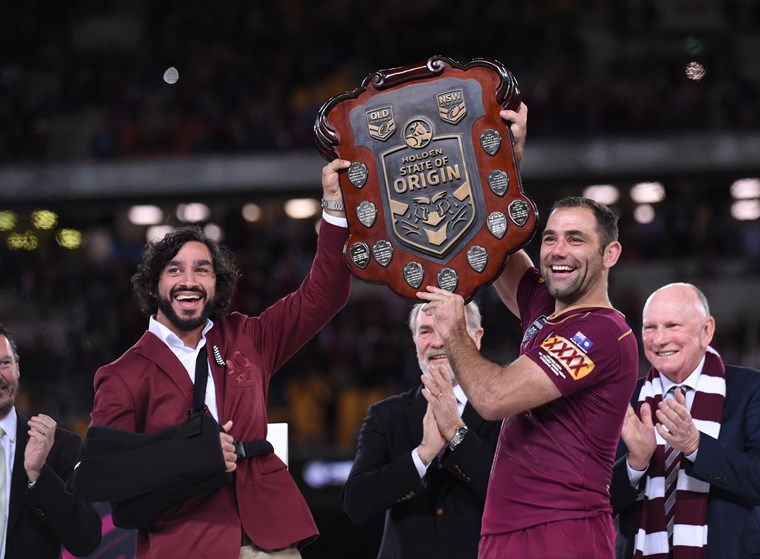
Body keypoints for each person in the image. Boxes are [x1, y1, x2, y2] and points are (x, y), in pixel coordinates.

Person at [87, 158, 353, 559]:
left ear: (218, 283)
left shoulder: (248, 337)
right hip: (185, 545)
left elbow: (323, 296)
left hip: (271, 541)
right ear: (153, 285)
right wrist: (191, 456)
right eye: (174, 270)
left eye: (203, 270)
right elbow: (104, 474)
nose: (189, 281)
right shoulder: (123, 375)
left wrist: (333, 208)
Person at [418, 195, 639, 558]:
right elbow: (498, 245)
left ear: (610, 254)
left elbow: (493, 398)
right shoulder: (548, 311)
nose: (557, 250)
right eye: (550, 238)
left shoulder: (602, 331)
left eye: (576, 239)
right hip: (504, 531)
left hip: (562, 531)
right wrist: (500, 166)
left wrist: (455, 331)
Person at [611, 283, 760, 559]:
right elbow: (595, 500)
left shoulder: (754, 389)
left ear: (706, 330)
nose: (659, 339)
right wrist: (636, 464)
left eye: (672, 326)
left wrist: (695, 446)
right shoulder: (625, 399)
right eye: (649, 328)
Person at [341, 301, 501, 559]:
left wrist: (456, 434)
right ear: (415, 341)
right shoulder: (386, 415)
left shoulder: (506, 412)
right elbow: (356, 504)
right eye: (425, 331)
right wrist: (423, 455)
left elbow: (509, 494)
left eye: (449, 328)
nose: (437, 342)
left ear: (477, 337)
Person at [0, 324, 102, 559]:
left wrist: (38, 475)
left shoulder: (60, 447)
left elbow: (86, 539)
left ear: (17, 369)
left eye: (4, 363)